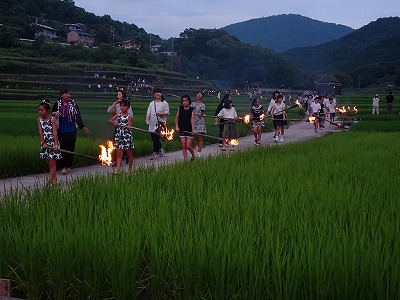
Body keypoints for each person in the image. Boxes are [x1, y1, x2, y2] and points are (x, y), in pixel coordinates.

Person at [51, 89, 89, 175]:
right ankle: (64, 166)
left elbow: (77, 115)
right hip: (61, 129)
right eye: (66, 94)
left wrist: (82, 126)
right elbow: (52, 113)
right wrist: (55, 114)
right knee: (63, 148)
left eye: (69, 94)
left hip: (71, 128)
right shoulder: (57, 104)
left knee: (70, 148)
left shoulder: (73, 104)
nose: (68, 95)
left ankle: (67, 166)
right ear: (61, 95)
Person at [38, 99, 62, 185]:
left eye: (42, 110)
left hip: (52, 142)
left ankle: (50, 180)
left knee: (52, 162)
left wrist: (56, 144)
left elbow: (55, 132)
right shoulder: (39, 120)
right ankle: (54, 179)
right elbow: (40, 132)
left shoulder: (53, 119)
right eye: (39, 110)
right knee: (49, 162)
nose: (40, 112)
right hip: (45, 143)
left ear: (47, 111)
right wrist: (43, 142)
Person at [107, 88, 133, 164]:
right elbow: (109, 110)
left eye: (119, 94)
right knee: (117, 142)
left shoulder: (126, 104)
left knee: (125, 143)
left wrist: (129, 125)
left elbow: (131, 115)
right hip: (118, 126)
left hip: (125, 126)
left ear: (123, 95)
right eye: (117, 94)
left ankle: (126, 157)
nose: (118, 95)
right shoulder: (116, 104)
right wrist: (115, 103)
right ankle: (119, 160)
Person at [145, 88, 169, 160]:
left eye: (158, 92)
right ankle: (160, 149)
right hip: (152, 123)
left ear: (161, 94)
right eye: (155, 93)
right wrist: (147, 119)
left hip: (160, 124)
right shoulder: (151, 103)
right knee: (153, 138)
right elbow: (148, 112)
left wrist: (159, 113)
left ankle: (155, 153)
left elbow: (167, 112)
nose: (157, 94)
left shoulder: (164, 103)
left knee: (156, 138)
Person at [175, 95, 196, 161]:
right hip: (182, 128)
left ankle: (193, 155)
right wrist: (177, 126)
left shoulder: (192, 109)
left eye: (186, 101)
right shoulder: (180, 108)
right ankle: (185, 159)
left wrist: (193, 129)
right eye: (183, 101)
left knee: (188, 146)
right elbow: (176, 118)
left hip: (189, 129)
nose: (184, 102)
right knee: (183, 146)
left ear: (189, 101)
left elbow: (192, 119)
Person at [191, 91, 207, 157]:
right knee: (191, 137)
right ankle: (195, 147)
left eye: (200, 94)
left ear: (202, 97)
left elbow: (200, 114)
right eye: (198, 94)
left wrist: (201, 115)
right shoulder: (192, 104)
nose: (199, 95)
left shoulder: (202, 105)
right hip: (193, 121)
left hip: (200, 122)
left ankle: (199, 152)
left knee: (200, 137)